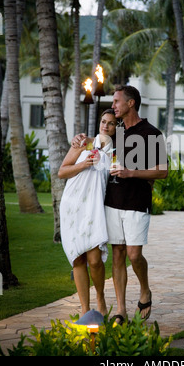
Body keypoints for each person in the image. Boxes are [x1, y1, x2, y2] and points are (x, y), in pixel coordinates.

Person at [72, 85, 168, 324]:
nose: (113, 105)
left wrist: (130, 173)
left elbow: (162, 172)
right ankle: (121, 311)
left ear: (131, 103)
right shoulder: (116, 131)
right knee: (118, 255)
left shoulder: (152, 133)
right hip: (112, 202)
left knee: (134, 255)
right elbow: (95, 141)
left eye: (116, 102)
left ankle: (145, 289)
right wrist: (79, 140)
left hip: (137, 202)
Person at [58, 109, 117, 316]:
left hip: (94, 208)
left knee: (94, 259)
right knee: (78, 259)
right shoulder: (84, 143)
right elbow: (62, 171)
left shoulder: (115, 153)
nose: (106, 126)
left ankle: (100, 297)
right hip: (72, 206)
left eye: (111, 123)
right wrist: (84, 164)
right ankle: (85, 310)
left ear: (116, 127)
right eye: (103, 121)